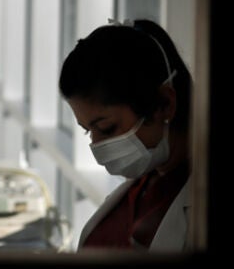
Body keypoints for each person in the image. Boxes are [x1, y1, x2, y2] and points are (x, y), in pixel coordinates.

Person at [58, 18, 193, 252]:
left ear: (164, 104)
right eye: (87, 130)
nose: (96, 145)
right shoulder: (143, 184)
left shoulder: (191, 201)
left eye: (107, 128)